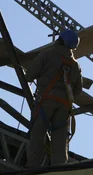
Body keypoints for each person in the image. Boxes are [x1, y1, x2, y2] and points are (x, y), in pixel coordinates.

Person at [25, 29, 83, 168]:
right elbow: (78, 90)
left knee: (37, 136)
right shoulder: (75, 65)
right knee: (60, 141)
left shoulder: (47, 55)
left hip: (45, 103)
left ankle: (32, 167)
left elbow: (29, 76)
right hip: (63, 107)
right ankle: (59, 170)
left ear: (60, 39)